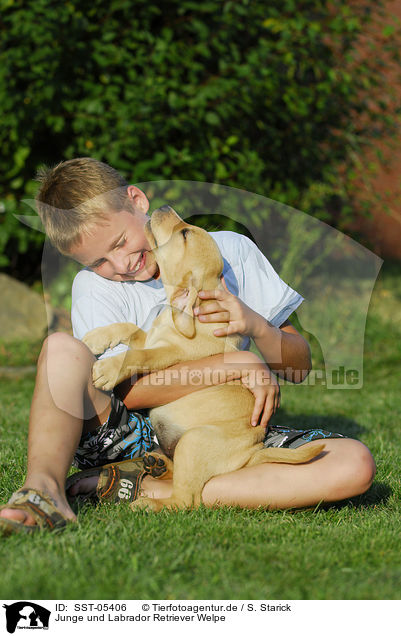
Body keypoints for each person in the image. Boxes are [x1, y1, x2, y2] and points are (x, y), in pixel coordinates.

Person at [0, 158, 375, 534]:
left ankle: (153, 487)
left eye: (119, 242)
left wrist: (257, 326)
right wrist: (236, 365)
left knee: (353, 463)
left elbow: (299, 367)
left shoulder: (229, 252)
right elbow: (127, 393)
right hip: (128, 436)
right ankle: (43, 490)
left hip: (217, 436)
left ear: (137, 201)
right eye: (99, 260)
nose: (121, 263)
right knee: (60, 348)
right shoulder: (94, 287)